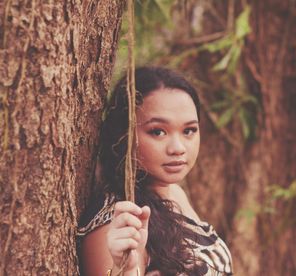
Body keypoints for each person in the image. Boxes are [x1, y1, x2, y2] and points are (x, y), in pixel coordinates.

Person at [77, 67, 233, 275]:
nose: (178, 148)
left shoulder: (174, 193)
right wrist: (126, 268)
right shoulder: (116, 223)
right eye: (158, 132)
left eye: (189, 131)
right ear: (123, 134)